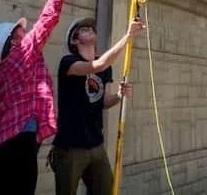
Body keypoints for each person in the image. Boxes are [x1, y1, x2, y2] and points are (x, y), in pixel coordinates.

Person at [0, 0, 80, 195]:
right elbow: (47, 21)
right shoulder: (20, 56)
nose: (25, 35)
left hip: (2, 152)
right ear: (13, 42)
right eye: (20, 33)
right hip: (16, 150)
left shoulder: (3, 71)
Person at [50, 13, 145, 195]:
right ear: (75, 41)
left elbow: (103, 102)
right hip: (70, 148)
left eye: (91, 27)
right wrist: (128, 36)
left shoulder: (104, 68)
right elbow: (98, 65)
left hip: (96, 145)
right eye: (83, 28)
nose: (90, 29)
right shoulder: (68, 62)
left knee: (106, 191)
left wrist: (118, 95)